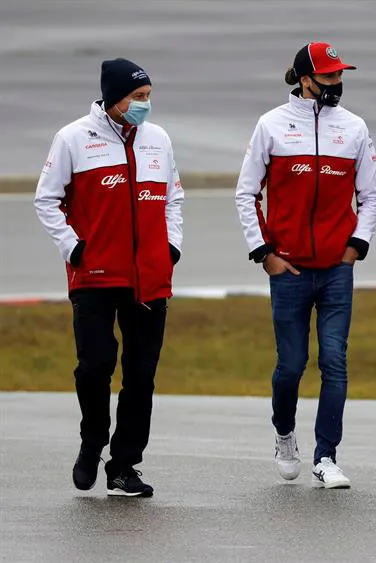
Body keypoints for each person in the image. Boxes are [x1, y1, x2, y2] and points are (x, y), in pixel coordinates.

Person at [34, 58, 184, 497]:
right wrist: (74, 247)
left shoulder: (158, 139)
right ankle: (91, 443)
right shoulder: (73, 138)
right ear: (113, 97)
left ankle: (123, 466)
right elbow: (46, 200)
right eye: (138, 98)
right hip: (95, 276)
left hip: (150, 279)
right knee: (94, 367)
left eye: (149, 97)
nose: (145, 105)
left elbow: (174, 197)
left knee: (141, 376)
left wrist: (170, 248)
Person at [235, 42, 376, 489]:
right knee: (292, 365)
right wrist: (265, 254)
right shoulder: (271, 125)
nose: (337, 84)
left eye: (341, 76)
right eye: (330, 77)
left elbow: (371, 195)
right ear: (305, 80)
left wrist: (356, 245)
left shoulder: (354, 127)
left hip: (337, 268)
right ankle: (284, 433)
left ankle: (326, 456)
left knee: (335, 362)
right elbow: (246, 193)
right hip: (290, 270)